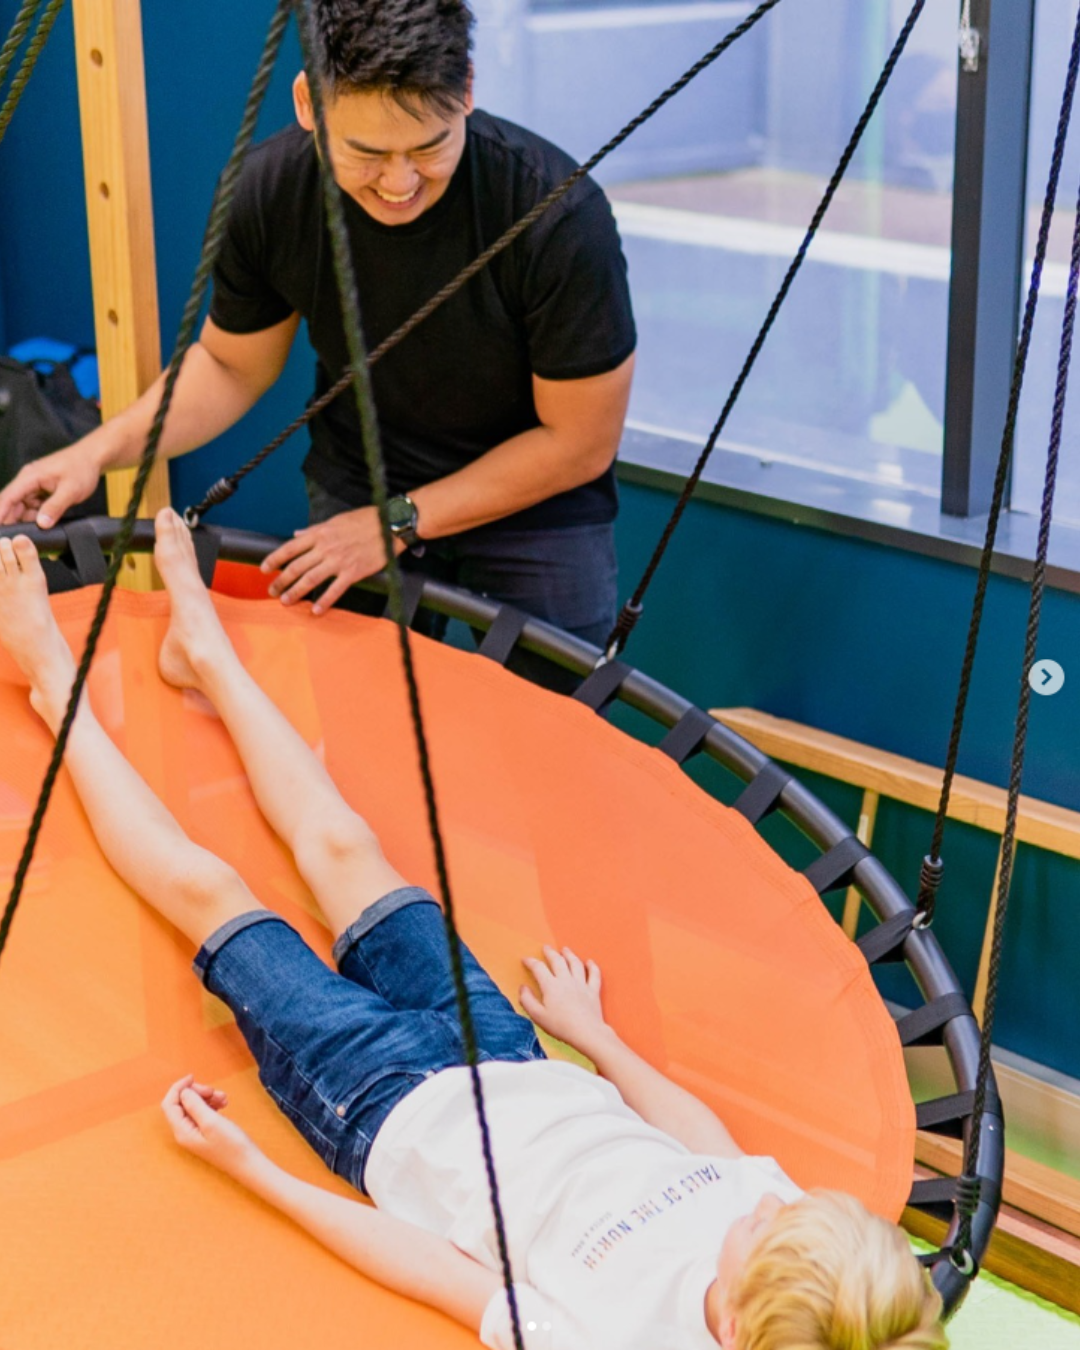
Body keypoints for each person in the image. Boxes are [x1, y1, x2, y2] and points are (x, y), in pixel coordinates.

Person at [0, 511, 945, 1350]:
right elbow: (712, 1150)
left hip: (379, 1104)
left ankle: (51, 679)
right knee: (343, 843)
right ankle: (205, 658)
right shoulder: (777, 1217)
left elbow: (433, 1271)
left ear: (733, 1327)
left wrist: (255, 1172)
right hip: (506, 1049)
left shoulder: (615, 1334)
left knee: (210, 891)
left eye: (767, 1222)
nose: (771, 1198)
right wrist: (596, 1036)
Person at [0, 0, 636, 657]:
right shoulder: (271, 191)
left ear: (467, 90)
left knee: (548, 731)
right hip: (361, 479)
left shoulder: (558, 214)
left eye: (430, 146)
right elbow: (227, 366)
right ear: (308, 104)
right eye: (365, 153)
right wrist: (94, 453)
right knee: (353, 722)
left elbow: (578, 442)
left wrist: (397, 523)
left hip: (533, 505)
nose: (399, 181)